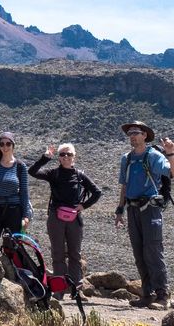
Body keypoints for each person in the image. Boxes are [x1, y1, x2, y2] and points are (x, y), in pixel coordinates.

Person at [114, 121, 174, 309]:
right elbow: (124, 185)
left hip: (150, 209)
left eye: (136, 132)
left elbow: (172, 172)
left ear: (145, 136)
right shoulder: (127, 158)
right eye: (130, 133)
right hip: (132, 209)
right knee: (139, 253)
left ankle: (163, 296)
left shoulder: (154, 156)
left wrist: (171, 153)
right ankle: (147, 294)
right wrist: (119, 209)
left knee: (153, 251)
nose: (132, 135)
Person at [29, 143, 101, 290]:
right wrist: (45, 157)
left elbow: (97, 192)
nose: (66, 157)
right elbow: (32, 171)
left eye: (69, 154)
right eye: (62, 154)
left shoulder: (80, 175)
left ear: (74, 157)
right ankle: (59, 288)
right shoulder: (53, 173)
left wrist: (83, 206)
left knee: (75, 253)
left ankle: (76, 289)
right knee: (58, 253)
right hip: (56, 216)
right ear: (59, 158)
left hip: (74, 218)